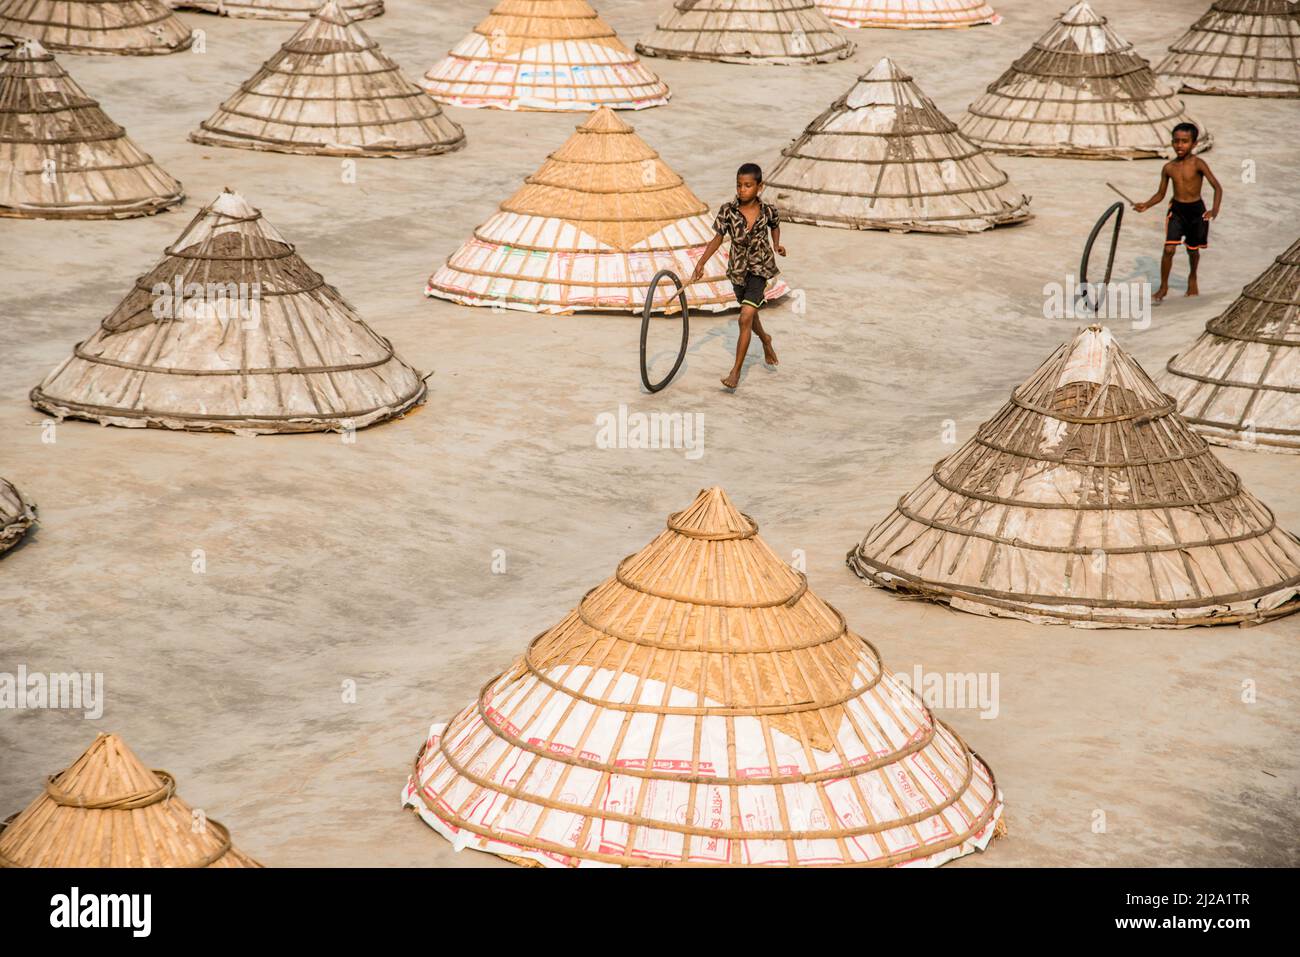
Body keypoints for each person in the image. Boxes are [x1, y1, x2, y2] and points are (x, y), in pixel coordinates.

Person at [689, 163, 786, 389]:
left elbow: (775, 225)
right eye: (739, 185)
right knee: (749, 315)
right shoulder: (727, 211)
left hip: (760, 269)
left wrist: (777, 245)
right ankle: (765, 339)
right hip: (738, 271)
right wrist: (701, 263)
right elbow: (717, 238)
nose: (742, 190)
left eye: (748, 185)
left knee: (744, 317)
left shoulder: (769, 210)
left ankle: (735, 373)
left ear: (759, 187)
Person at [1134, 123, 1222, 300]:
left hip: (1197, 211)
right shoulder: (1169, 168)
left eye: (1185, 141)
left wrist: (1214, 210)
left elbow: (1217, 187)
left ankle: (1192, 277)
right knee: (1168, 250)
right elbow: (1160, 194)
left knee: (1192, 249)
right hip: (1177, 211)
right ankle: (1164, 286)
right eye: (1176, 141)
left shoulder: (1199, 164)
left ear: (1194, 144)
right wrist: (1146, 205)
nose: (1180, 145)